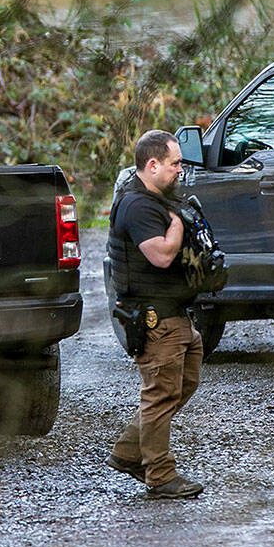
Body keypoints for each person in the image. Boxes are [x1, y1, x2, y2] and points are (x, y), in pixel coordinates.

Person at [106, 129, 205, 499]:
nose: (180, 170)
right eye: (175, 163)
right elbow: (161, 255)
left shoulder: (155, 198)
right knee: (160, 395)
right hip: (156, 319)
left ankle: (130, 453)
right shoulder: (138, 206)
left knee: (182, 384)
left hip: (175, 315)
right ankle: (160, 475)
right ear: (152, 165)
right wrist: (178, 224)